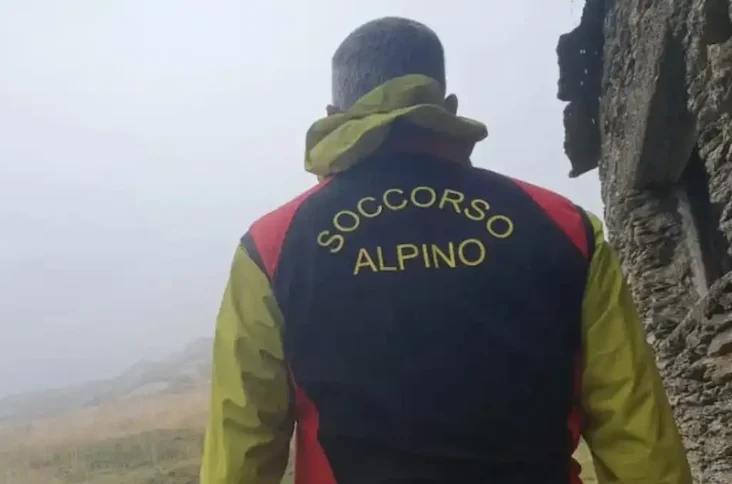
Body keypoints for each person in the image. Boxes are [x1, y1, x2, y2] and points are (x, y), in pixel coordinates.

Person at [200, 16, 692, 484]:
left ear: (334, 117)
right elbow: (637, 431)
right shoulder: (564, 227)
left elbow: (242, 444)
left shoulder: (272, 246)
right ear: (447, 108)